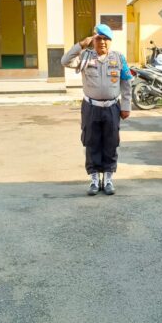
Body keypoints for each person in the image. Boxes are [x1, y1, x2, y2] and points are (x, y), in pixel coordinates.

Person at [61, 23, 132, 195]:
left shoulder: (118, 58)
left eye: (106, 39)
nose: (102, 42)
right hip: (91, 107)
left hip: (112, 107)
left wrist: (126, 106)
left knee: (111, 142)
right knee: (91, 142)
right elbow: (65, 61)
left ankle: (108, 179)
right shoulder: (85, 57)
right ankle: (94, 179)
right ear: (93, 39)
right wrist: (80, 45)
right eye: (99, 38)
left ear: (110, 41)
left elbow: (127, 83)